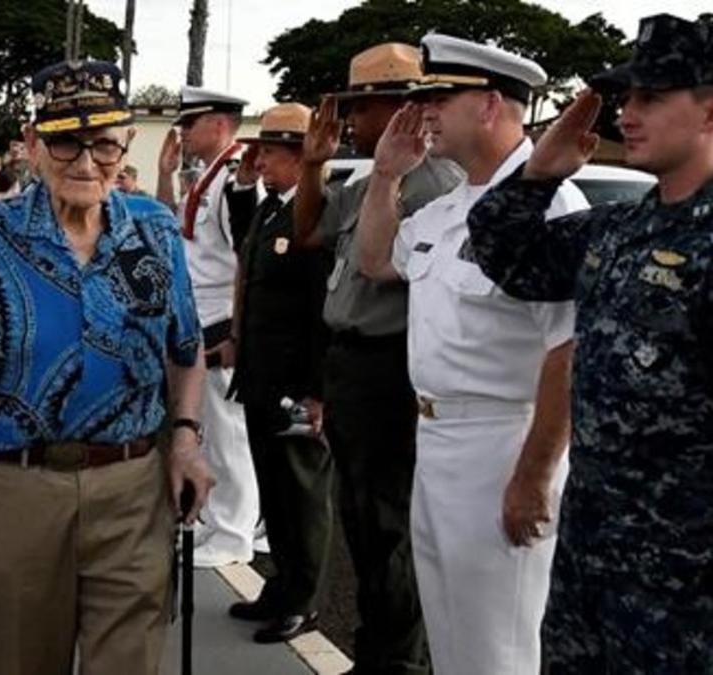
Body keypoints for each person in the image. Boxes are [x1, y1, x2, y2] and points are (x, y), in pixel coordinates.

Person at [0, 59, 214, 675]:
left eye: (102, 143)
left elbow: (186, 348)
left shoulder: (153, 230)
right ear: (32, 144)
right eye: (66, 141)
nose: (85, 162)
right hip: (11, 496)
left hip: (131, 493)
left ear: (124, 142)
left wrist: (184, 439)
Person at [465, 14, 713, 671]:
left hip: (686, 595)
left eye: (651, 98)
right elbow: (503, 252)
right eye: (626, 99)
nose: (626, 115)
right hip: (591, 562)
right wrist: (539, 171)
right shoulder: (617, 231)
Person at [355, 34, 589, 674]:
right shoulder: (449, 207)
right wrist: (386, 175)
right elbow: (375, 260)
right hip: (435, 440)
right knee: (452, 632)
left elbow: (568, 348)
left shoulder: (552, 206)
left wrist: (534, 476)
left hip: (501, 445)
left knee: (499, 643)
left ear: (489, 106)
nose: (424, 110)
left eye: (439, 96)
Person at [291, 43, 462, 674]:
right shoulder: (366, 180)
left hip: (392, 366)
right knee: (363, 524)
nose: (351, 123)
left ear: (399, 110)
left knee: (391, 529)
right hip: (352, 364)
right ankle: (377, 653)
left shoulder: (436, 184)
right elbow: (307, 231)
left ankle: (399, 663)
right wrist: (313, 166)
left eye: (362, 109)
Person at [223, 102, 335, 644]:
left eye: (269, 151)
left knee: (302, 492)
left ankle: (304, 599)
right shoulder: (271, 210)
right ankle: (282, 586)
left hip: (295, 384)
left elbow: (322, 311)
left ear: (300, 156)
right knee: (274, 488)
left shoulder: (316, 215)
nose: (260, 160)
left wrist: (316, 391)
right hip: (263, 376)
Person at [156, 84, 259, 569]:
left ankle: (235, 532)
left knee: (228, 431)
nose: (183, 133)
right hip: (201, 315)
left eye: (190, 124)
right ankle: (220, 522)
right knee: (214, 432)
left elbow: (245, 261)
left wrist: (238, 331)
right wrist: (165, 174)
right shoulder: (208, 176)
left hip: (220, 317)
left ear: (218, 123)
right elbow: (176, 236)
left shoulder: (238, 177)